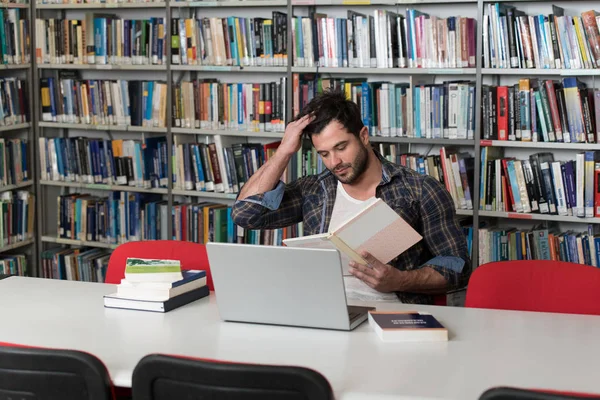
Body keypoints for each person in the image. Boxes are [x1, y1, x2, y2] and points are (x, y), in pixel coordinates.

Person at [231, 90, 471, 304]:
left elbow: (457, 268)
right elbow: (246, 215)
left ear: (363, 136)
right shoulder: (315, 190)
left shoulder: (419, 190)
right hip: (322, 311)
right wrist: (284, 151)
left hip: (391, 319)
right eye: (324, 154)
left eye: (341, 147)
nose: (334, 162)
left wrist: (399, 280)